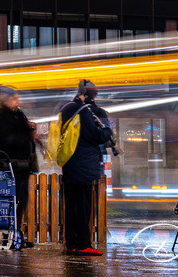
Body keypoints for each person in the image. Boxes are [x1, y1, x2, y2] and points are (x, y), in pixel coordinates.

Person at [60, 79, 113, 256]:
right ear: (92, 95)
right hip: (84, 166)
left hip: (69, 164)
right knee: (83, 206)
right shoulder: (86, 111)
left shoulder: (67, 108)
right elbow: (95, 135)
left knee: (71, 205)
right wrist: (108, 132)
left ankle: (71, 244)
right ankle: (83, 244)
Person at [0, 86, 35, 246]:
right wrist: (25, 134)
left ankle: (16, 235)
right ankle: (11, 238)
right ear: (7, 100)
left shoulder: (16, 114)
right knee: (12, 203)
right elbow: (6, 140)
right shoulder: (2, 117)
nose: (18, 101)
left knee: (19, 202)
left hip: (20, 166)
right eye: (15, 98)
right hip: (11, 167)